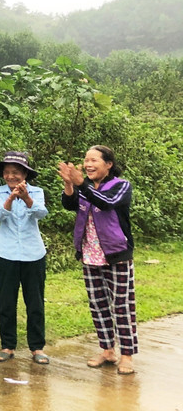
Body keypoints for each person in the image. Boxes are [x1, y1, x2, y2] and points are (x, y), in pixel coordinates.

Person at [59, 146, 137, 375]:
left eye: (94, 160)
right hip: (90, 254)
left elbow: (105, 202)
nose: (89, 164)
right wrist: (69, 184)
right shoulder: (85, 188)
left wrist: (81, 183)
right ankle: (107, 350)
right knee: (98, 305)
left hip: (116, 254)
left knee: (122, 307)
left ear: (109, 164)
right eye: (86, 160)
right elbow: (69, 204)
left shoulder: (121, 186)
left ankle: (127, 355)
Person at [0, 152, 50, 364]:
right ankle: (7, 345)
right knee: (6, 300)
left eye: (15, 172)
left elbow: (41, 214)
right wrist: (10, 198)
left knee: (35, 301)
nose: (10, 177)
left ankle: (37, 347)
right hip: (6, 253)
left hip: (33, 253)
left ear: (25, 174)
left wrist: (25, 198)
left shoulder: (37, 191)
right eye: (7, 173)